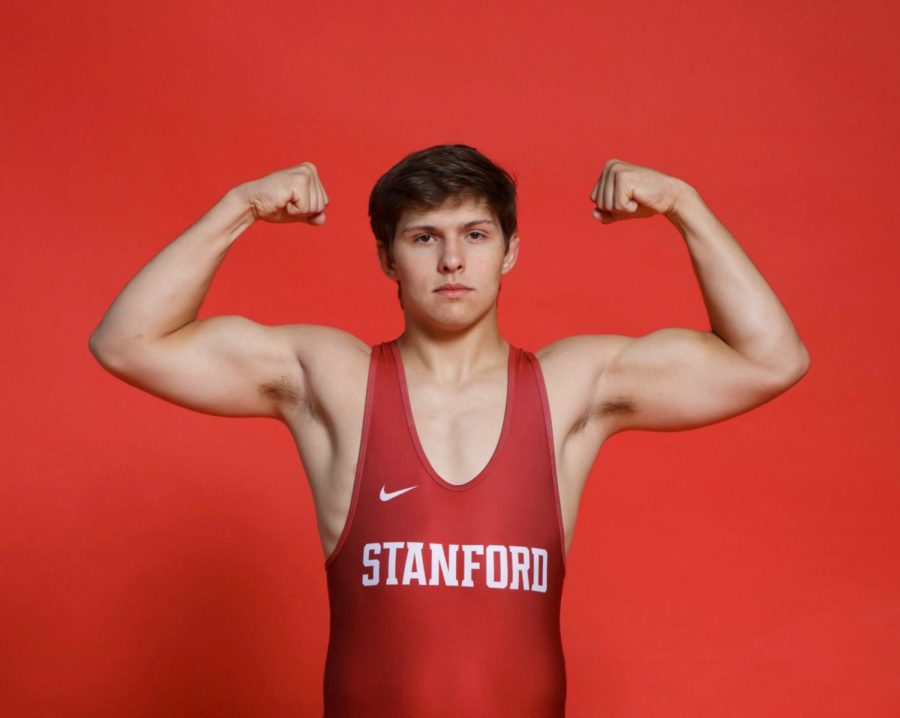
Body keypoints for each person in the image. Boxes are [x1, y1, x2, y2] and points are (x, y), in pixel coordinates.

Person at [89, 144, 810, 716]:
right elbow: (128, 343)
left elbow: (770, 359)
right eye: (424, 237)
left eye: (475, 234)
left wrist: (685, 205)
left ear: (511, 251)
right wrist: (239, 206)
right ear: (387, 259)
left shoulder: (570, 388)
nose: (453, 260)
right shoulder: (335, 382)